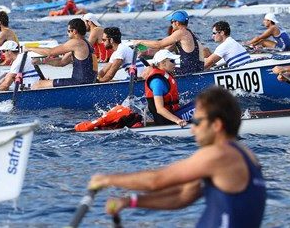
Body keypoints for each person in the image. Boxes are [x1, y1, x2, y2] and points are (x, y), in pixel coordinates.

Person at [89, 86, 266, 227]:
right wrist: (130, 201)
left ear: (217, 125)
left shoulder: (219, 155)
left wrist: (106, 179)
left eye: (196, 122)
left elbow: (156, 181)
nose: (192, 129)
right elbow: (182, 195)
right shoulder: (243, 155)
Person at [27, 18, 97, 88]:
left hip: (79, 83)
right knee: (45, 83)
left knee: (39, 84)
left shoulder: (76, 42)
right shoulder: (87, 44)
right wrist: (42, 61)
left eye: (68, 31)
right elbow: (62, 62)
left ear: (74, 31)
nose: (67, 33)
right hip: (87, 82)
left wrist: (30, 48)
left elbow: (50, 52)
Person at [133, 10, 205, 75]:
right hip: (195, 69)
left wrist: (140, 41)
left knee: (154, 70)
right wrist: (146, 52)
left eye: (171, 22)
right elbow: (163, 51)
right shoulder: (188, 33)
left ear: (177, 23)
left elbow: (159, 44)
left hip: (188, 72)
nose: (171, 24)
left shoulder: (181, 32)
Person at [144, 50, 186, 126]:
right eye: (172, 61)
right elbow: (160, 109)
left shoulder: (165, 76)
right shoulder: (157, 82)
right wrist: (178, 120)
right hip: (166, 121)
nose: (175, 63)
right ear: (163, 63)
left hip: (174, 113)